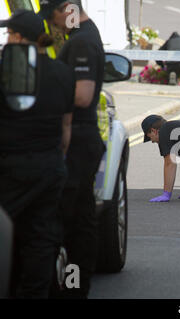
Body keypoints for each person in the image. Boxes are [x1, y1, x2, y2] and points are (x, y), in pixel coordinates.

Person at [0, 10, 75, 298]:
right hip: (49, 165)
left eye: (8, 35)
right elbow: (66, 129)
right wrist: (56, 162)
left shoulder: (6, 71)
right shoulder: (63, 73)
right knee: (41, 238)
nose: (7, 40)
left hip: (10, 166)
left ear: (19, 38)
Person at [39, 0, 106, 298]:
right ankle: (75, 288)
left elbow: (81, 95)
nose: (54, 24)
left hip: (77, 139)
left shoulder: (81, 42)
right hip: (82, 138)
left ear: (68, 9)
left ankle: (72, 287)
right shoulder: (84, 37)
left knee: (71, 222)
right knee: (81, 219)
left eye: (54, 17)